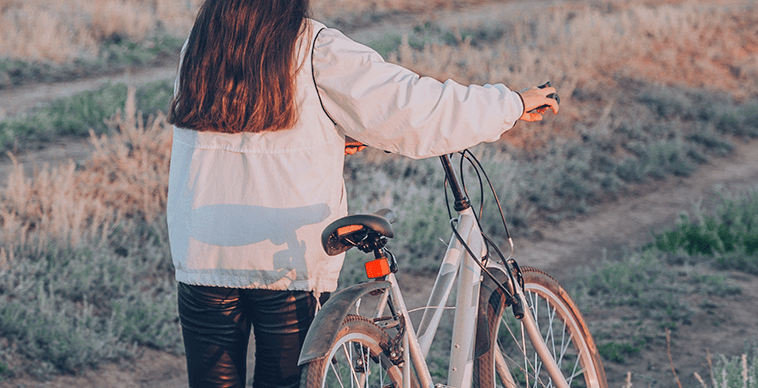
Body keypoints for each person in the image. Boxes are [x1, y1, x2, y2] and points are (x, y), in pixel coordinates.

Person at [165, 0, 559, 387]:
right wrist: (511, 103)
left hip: (203, 252)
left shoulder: (201, 46)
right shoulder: (314, 47)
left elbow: (249, 121)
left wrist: (331, 134)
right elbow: (413, 107)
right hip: (283, 257)